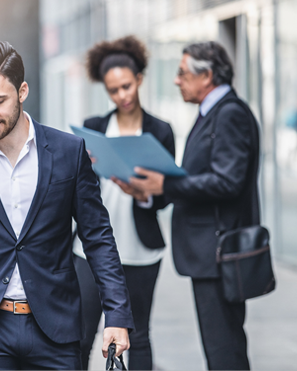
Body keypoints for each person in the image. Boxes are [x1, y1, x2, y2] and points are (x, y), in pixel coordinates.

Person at [0, 41, 134, 370]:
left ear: (22, 91)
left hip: (55, 326)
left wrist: (116, 315)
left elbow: (98, 238)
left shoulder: (68, 152)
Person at [128, 41, 260, 370]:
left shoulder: (229, 114)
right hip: (210, 251)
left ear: (208, 76)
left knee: (223, 349)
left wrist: (167, 184)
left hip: (217, 252)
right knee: (223, 346)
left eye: (182, 73)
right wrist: (152, 190)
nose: (176, 80)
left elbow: (228, 181)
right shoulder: (213, 112)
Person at [74, 36, 175, 370]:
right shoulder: (93, 128)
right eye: (114, 90)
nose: (122, 96)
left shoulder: (160, 131)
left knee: (139, 334)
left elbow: (166, 195)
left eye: (127, 86)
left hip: (140, 248)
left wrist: (145, 195)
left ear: (140, 80)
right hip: (90, 249)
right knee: (83, 333)